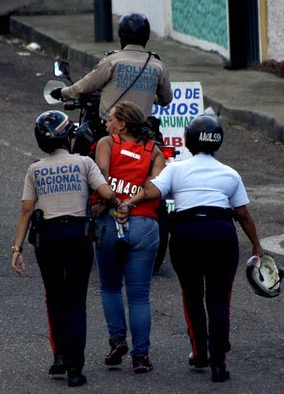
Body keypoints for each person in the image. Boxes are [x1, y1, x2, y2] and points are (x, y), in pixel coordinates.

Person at [118, 115, 266, 383]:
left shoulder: (176, 169)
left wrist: (129, 203)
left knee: (193, 296)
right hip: (222, 234)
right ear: (218, 142)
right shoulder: (230, 173)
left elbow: (152, 191)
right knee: (220, 299)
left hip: (186, 235)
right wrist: (257, 246)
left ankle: (200, 354)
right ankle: (219, 363)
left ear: (187, 141)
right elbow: (242, 214)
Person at [11, 110, 120, 387]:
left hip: (46, 238)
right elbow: (106, 194)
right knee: (75, 302)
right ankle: (75, 369)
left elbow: (26, 210)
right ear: (68, 136)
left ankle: (59, 357)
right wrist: (119, 206)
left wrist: (17, 248)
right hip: (77, 235)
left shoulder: (35, 169)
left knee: (55, 298)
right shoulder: (84, 163)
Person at [93, 101, 165, 373]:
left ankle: (117, 340)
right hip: (145, 225)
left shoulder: (107, 144)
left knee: (110, 287)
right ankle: (141, 357)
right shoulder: (153, 151)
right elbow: (155, 187)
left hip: (111, 223)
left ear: (121, 125)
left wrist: (115, 204)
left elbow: (101, 176)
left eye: (111, 119)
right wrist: (131, 204)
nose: (107, 123)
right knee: (139, 296)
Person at [49, 12, 172, 123]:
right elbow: (166, 99)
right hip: (143, 133)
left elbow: (82, 87)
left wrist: (62, 92)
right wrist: (149, 95)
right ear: (146, 36)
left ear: (121, 35)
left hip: (112, 132)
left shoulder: (112, 61)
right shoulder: (157, 65)